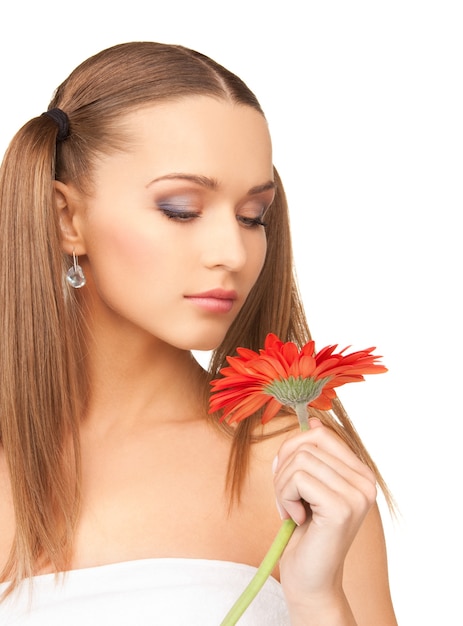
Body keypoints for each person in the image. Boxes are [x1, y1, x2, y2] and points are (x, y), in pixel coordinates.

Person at [0, 41, 397, 625]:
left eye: (252, 216)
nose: (232, 252)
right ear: (67, 219)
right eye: (181, 209)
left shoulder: (294, 463)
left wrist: (318, 599)